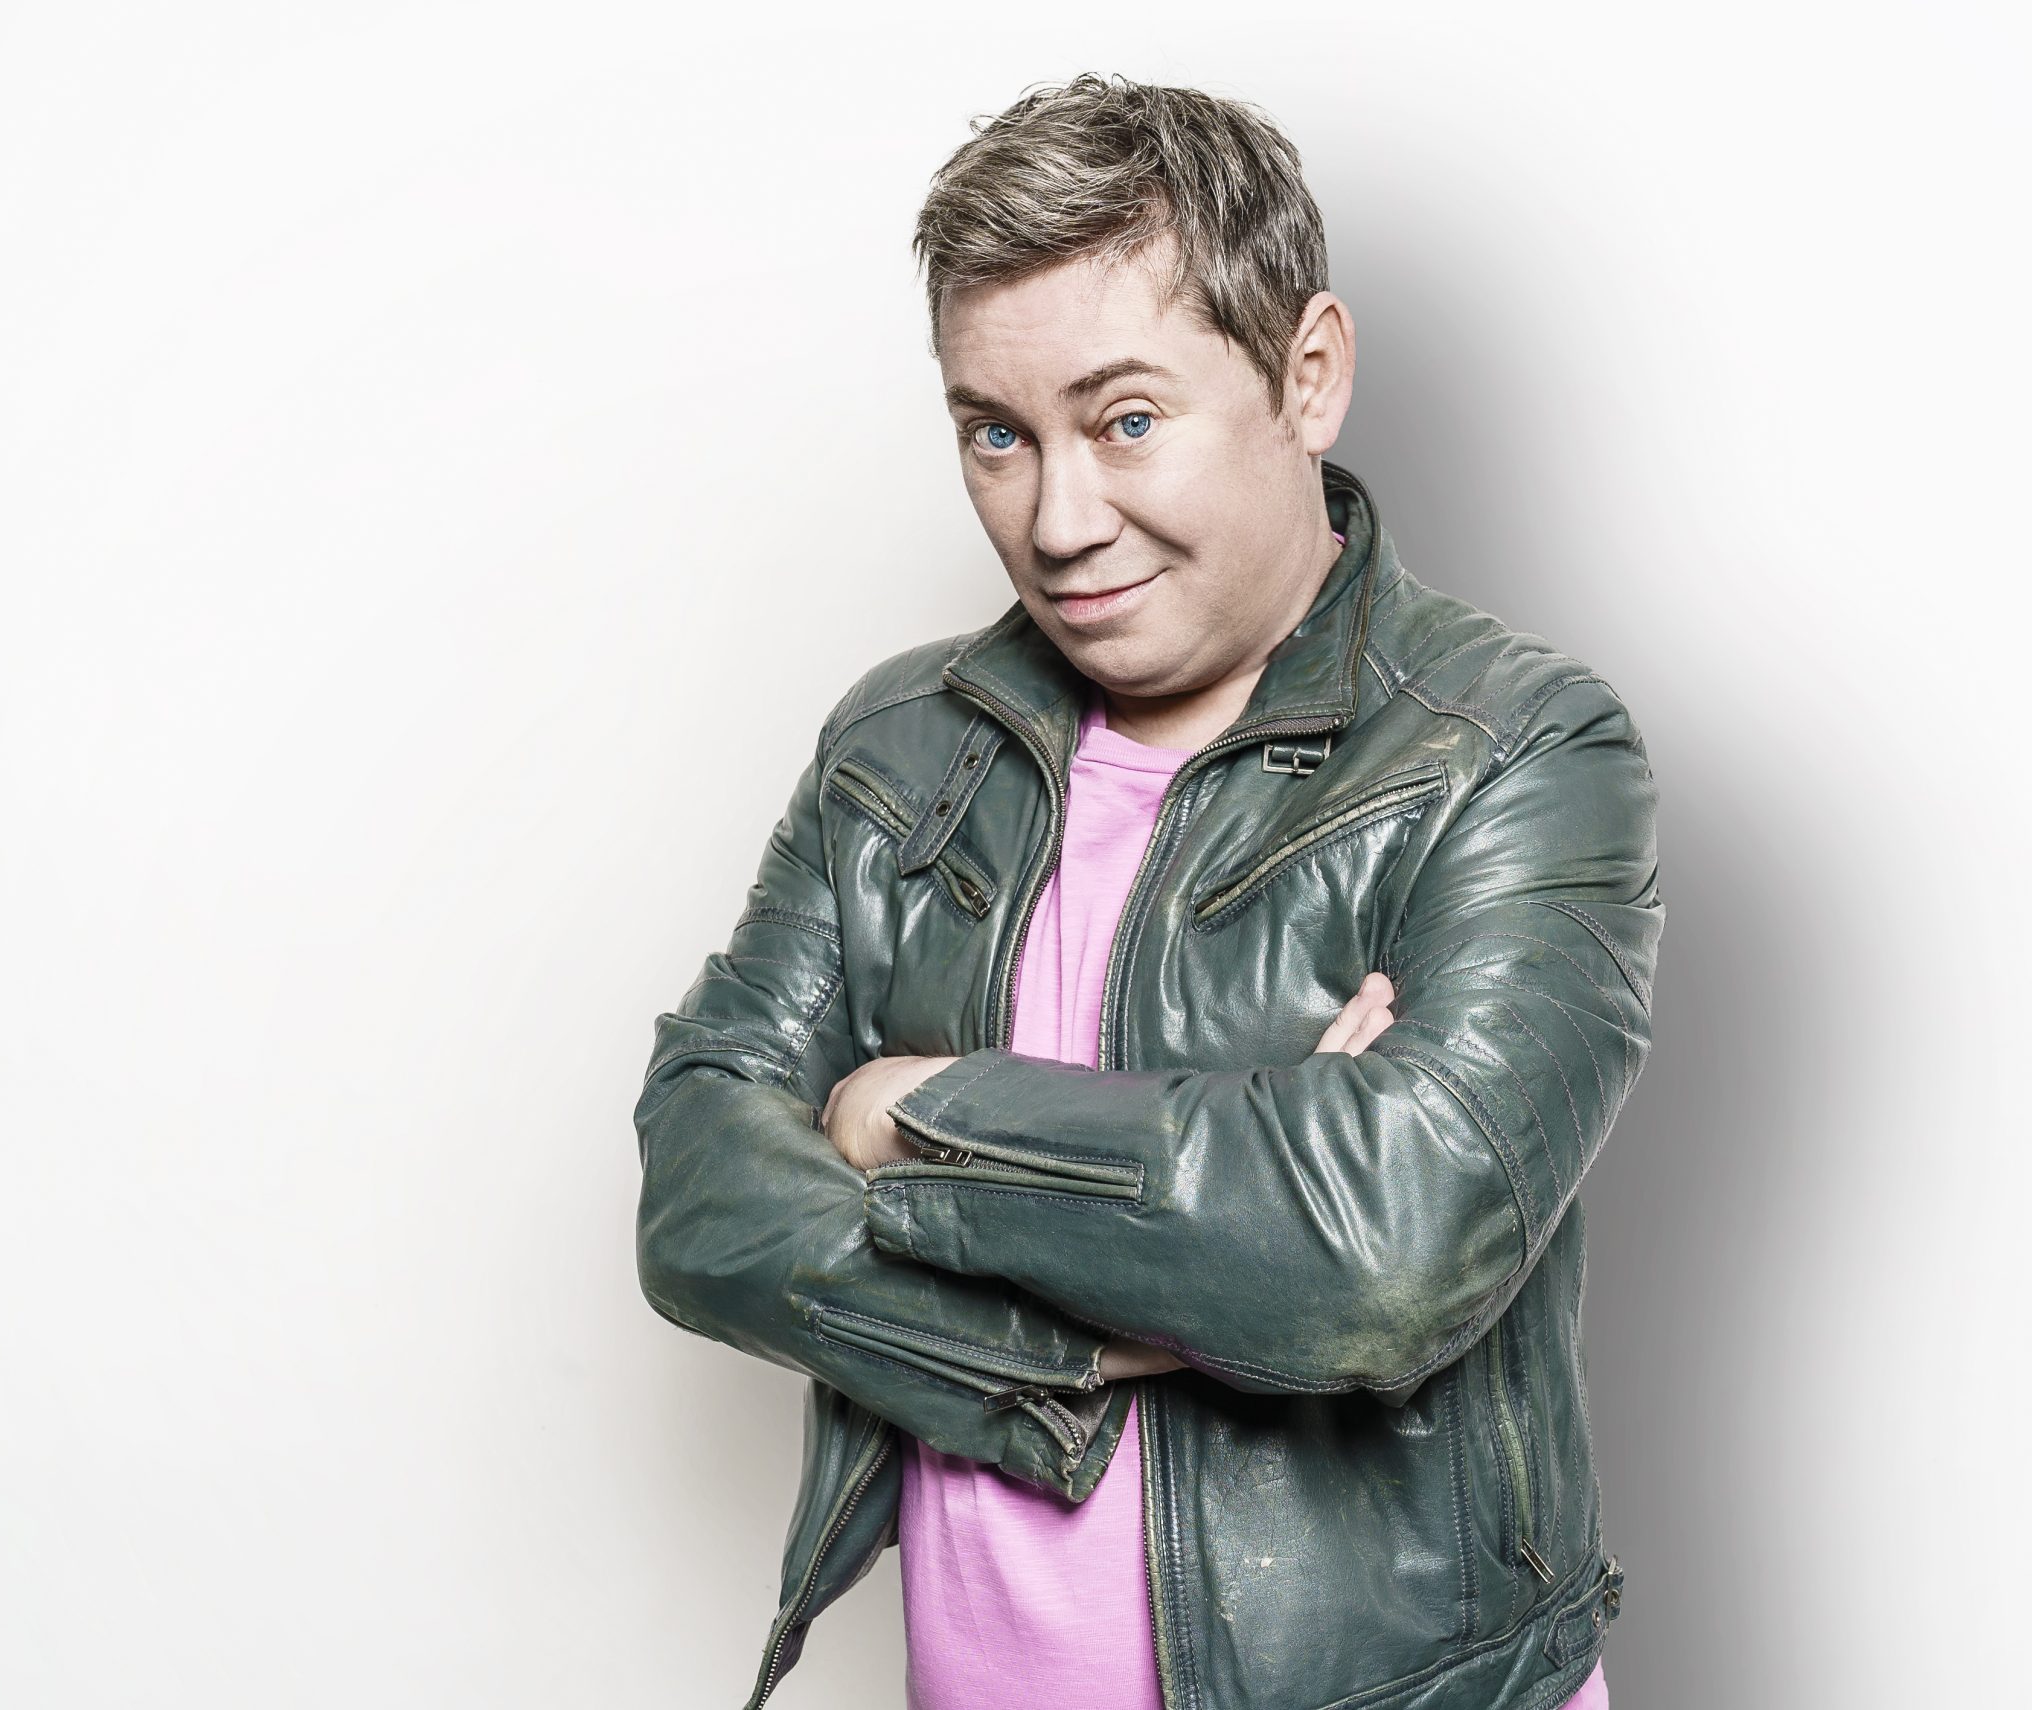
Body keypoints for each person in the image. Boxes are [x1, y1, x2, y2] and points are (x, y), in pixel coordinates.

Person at [634, 72, 1661, 1710]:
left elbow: (1381, 1251)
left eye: (1125, 421)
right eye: (996, 432)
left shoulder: (1514, 750)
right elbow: (697, 1193)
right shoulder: (899, 751)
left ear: (1308, 376)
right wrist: (1155, 1284)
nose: (1057, 519)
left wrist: (906, 1114)